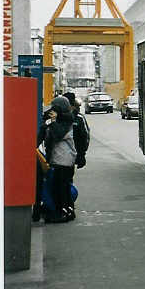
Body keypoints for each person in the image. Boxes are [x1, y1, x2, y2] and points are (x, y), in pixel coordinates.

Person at [37, 96, 77, 222]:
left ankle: (62, 213)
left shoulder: (67, 121)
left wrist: (53, 121)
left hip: (64, 160)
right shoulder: (58, 120)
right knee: (62, 188)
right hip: (58, 160)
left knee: (61, 189)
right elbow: (41, 137)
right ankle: (68, 212)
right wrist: (46, 122)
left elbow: (58, 134)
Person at [63, 92, 90, 220]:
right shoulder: (60, 117)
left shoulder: (78, 118)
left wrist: (81, 155)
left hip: (72, 157)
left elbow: (85, 137)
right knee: (66, 181)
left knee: (67, 181)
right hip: (61, 157)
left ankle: (68, 207)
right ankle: (67, 206)